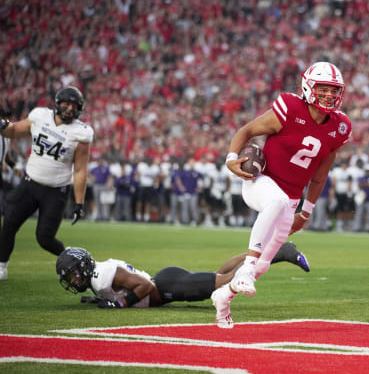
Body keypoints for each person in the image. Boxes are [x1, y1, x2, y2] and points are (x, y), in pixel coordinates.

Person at [210, 61, 352, 328]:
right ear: (309, 87)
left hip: (292, 198)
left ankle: (223, 296)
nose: (330, 95)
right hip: (260, 183)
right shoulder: (289, 107)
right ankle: (247, 269)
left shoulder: (340, 126)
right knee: (274, 205)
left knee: (265, 263)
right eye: (324, 89)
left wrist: (306, 211)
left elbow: (320, 174)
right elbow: (247, 131)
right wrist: (231, 158)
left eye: (334, 90)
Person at [0, 86, 93, 281]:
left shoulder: (81, 132)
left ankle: (75, 259)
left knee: (45, 239)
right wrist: (3, 125)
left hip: (55, 191)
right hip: (30, 183)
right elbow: (15, 130)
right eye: (66, 104)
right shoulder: (40, 116)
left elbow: (80, 169)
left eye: (73, 105)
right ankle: (1, 267)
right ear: (57, 104)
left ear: (79, 109)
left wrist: (79, 202)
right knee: (8, 224)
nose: (69, 109)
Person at [56, 243, 310, 308]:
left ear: (83, 268)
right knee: (220, 275)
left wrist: (119, 304)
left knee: (227, 281)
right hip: (167, 283)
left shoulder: (101, 276)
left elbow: (143, 286)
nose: (73, 282)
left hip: (168, 287)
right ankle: (271, 250)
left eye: (72, 276)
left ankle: (280, 253)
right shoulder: (97, 276)